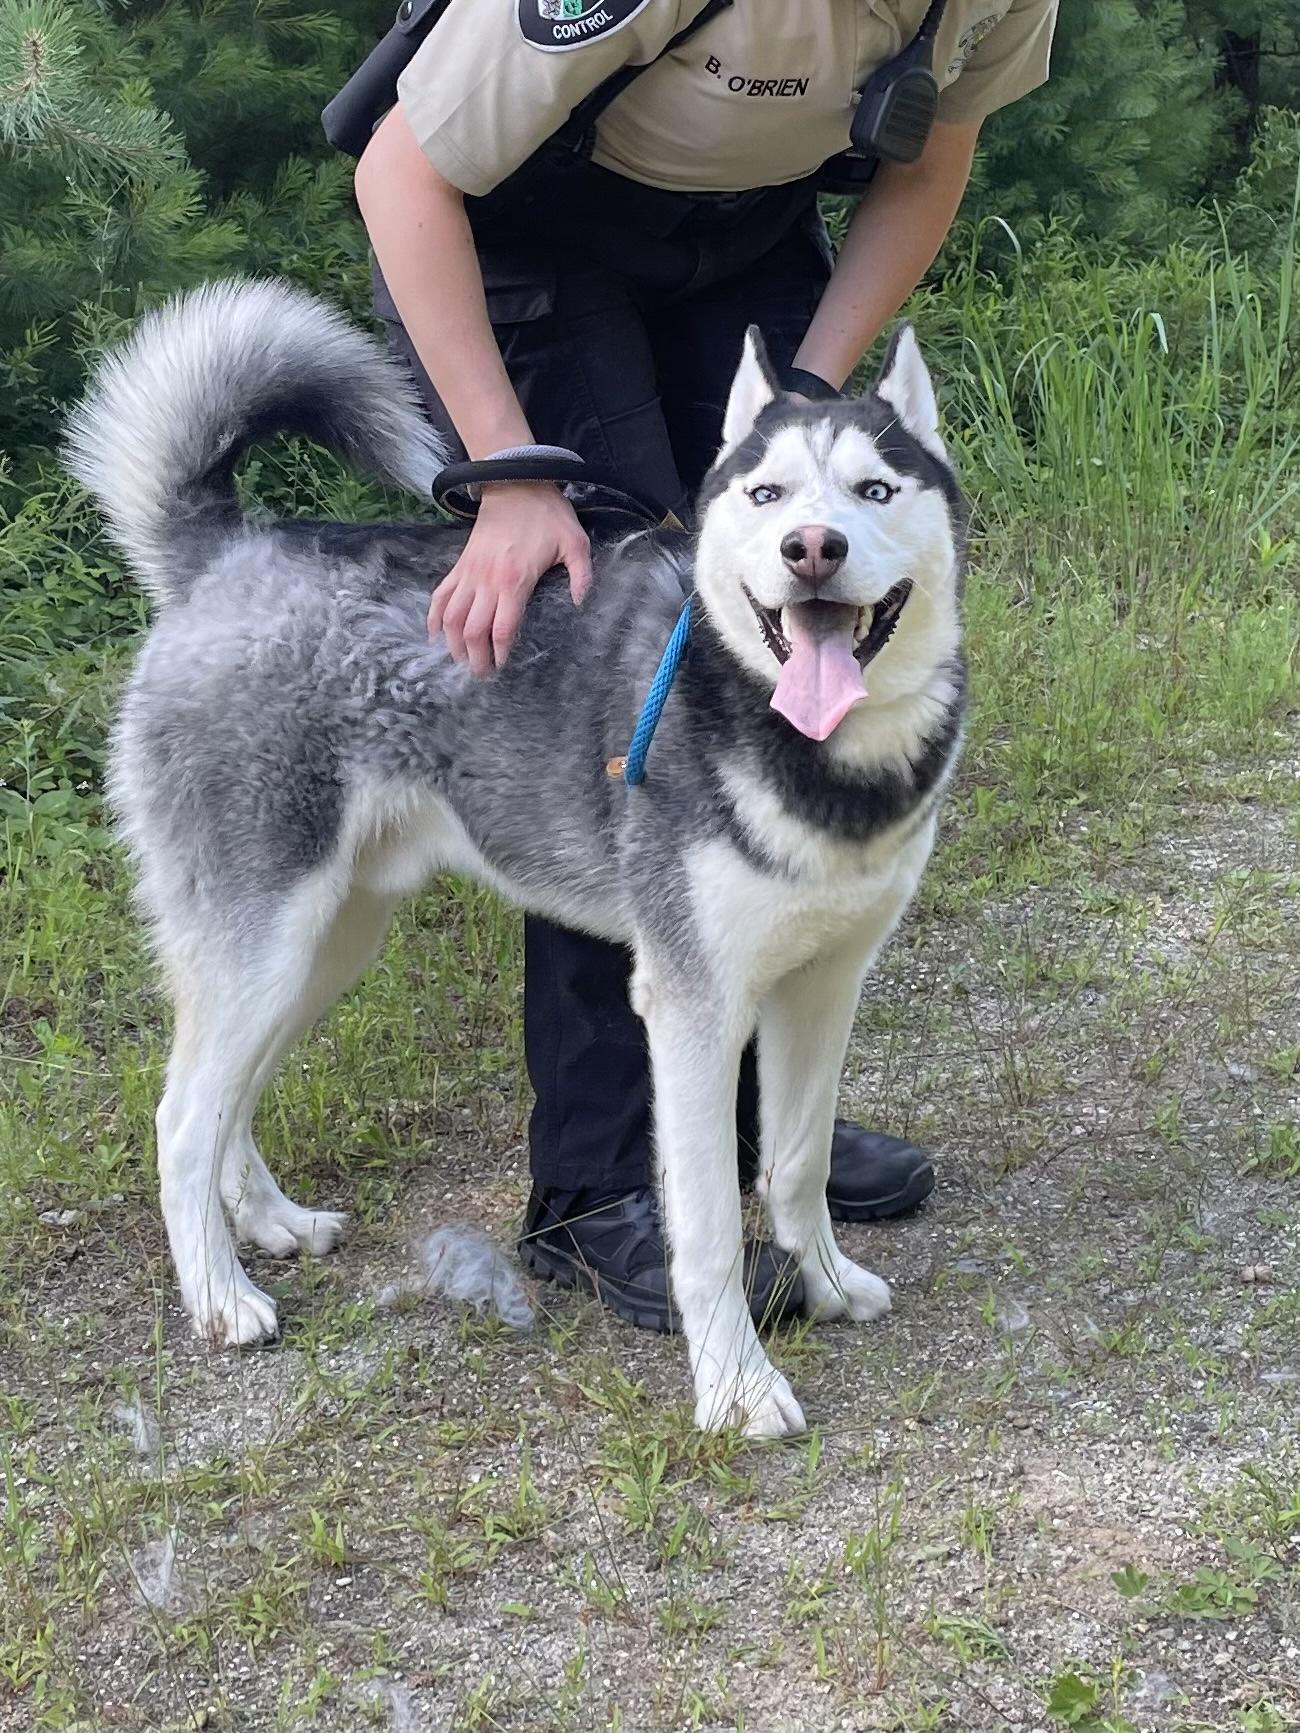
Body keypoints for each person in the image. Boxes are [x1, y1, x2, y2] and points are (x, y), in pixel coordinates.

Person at [354, 0, 1057, 1332]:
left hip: (738, 238)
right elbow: (404, 171)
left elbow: (930, 153)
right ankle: (597, 1185)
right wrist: (508, 476)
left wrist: (804, 398)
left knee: (800, 622)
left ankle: (752, 1137)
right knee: (618, 664)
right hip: (519, 228)